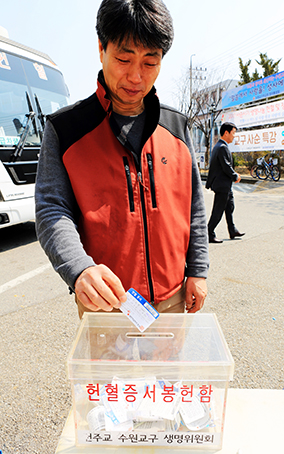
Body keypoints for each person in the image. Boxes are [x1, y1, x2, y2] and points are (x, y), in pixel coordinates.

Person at [35, 0, 209, 318]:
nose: (135, 77)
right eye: (123, 58)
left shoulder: (177, 126)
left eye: (149, 63)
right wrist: (79, 269)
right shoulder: (66, 129)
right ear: (101, 49)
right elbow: (51, 209)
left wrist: (198, 269)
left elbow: (194, 206)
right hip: (107, 304)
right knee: (107, 371)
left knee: (167, 369)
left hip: (171, 297)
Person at [206, 122, 245, 244]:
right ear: (226, 132)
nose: (234, 136)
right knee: (218, 210)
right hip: (222, 185)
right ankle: (209, 232)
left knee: (230, 207)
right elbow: (226, 166)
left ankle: (232, 230)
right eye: (233, 133)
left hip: (224, 185)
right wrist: (235, 176)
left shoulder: (220, 146)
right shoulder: (222, 147)